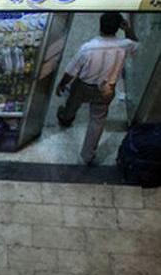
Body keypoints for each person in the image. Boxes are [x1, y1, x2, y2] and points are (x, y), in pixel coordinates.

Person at [56, 12, 139, 165]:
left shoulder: (88, 48)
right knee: (97, 120)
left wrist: (62, 84)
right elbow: (135, 43)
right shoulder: (124, 45)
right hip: (107, 88)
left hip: (83, 86)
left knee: (72, 104)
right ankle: (87, 155)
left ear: (100, 26)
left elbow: (71, 71)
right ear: (118, 28)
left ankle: (66, 118)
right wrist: (127, 29)